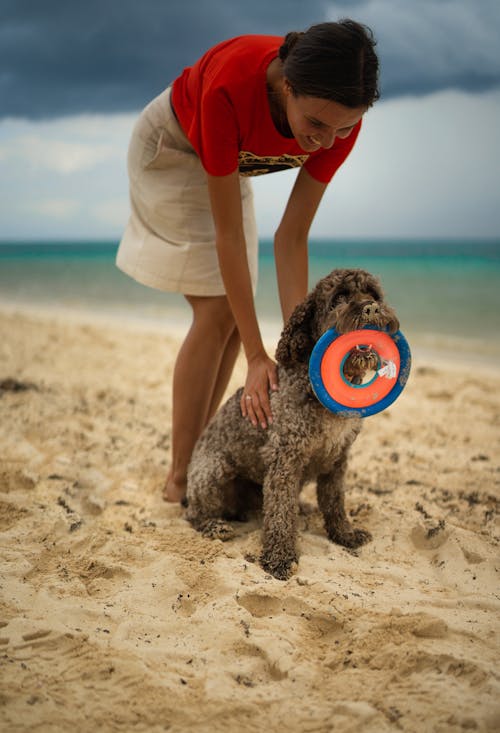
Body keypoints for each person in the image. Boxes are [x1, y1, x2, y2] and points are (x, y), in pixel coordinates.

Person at [116, 19, 380, 503]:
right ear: (286, 85)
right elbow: (228, 236)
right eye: (316, 124)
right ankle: (179, 481)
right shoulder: (229, 89)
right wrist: (259, 359)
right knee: (218, 311)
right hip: (175, 147)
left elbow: (291, 236)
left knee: (238, 326)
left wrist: (299, 348)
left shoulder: (341, 120)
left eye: (341, 129)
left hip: (230, 161)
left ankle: (194, 461)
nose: (325, 142)